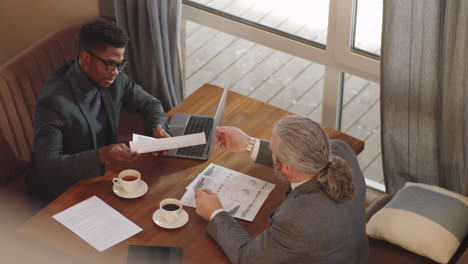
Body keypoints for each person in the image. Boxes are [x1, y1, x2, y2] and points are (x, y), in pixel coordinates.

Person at [27, 21, 170, 202]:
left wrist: (157, 128)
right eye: (111, 64)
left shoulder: (112, 76)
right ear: (86, 58)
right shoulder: (53, 102)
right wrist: (101, 156)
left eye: (121, 64)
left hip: (101, 175)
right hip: (61, 189)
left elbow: (150, 103)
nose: (116, 72)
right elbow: (48, 165)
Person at [195, 116, 368, 263]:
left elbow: (247, 258)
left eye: (272, 151)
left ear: (286, 168)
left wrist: (215, 213)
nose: (270, 150)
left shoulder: (296, 221)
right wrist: (249, 144)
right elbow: (303, 156)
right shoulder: (340, 150)